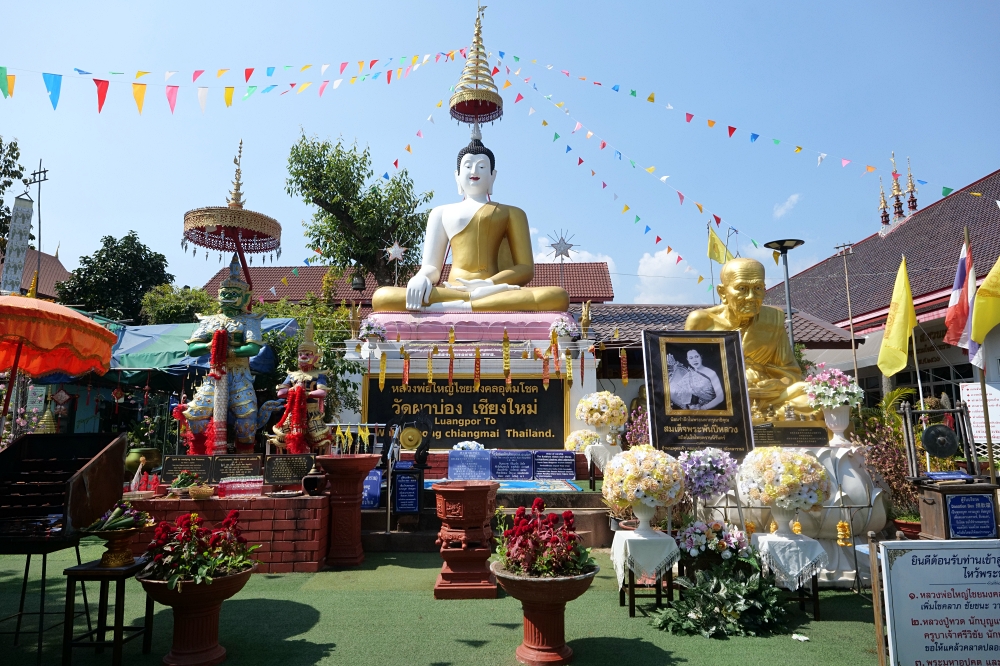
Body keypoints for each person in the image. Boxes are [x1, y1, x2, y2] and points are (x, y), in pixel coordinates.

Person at [371, 136, 569, 312]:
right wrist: (421, 278)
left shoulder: (512, 213)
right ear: (457, 175)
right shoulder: (440, 213)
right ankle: (469, 303)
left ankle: (459, 306)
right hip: (452, 289)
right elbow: (431, 266)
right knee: (383, 297)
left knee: (557, 296)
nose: (474, 171)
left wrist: (489, 283)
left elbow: (525, 269)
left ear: (493, 176)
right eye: (468, 166)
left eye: (482, 166)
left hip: (495, 290)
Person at [684, 257, 815, 417]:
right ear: (722, 292)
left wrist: (777, 384)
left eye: (758, 287)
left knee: (808, 395)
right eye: (742, 288)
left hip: (766, 395)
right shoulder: (702, 321)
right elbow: (689, 371)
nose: (752, 296)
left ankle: (767, 414)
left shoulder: (773, 319)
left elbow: (792, 373)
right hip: (723, 394)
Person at [181, 255, 263, 454]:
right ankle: (200, 463)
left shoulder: (249, 320)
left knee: (247, 422)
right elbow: (192, 349)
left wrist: (229, 350)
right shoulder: (209, 321)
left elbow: (253, 348)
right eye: (224, 292)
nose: (227, 295)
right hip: (214, 375)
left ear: (244, 297)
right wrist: (211, 345)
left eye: (233, 292)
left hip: (239, 375)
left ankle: (243, 462)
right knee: (196, 418)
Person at [269, 318, 333, 454]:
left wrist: (306, 394)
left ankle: (317, 464)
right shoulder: (292, 375)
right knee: (282, 438)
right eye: (300, 354)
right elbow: (280, 393)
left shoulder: (318, 375)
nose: (303, 356)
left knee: (319, 438)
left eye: (307, 354)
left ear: (315, 357)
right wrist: (294, 390)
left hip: (311, 411)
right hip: (293, 412)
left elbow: (322, 393)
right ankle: (285, 464)